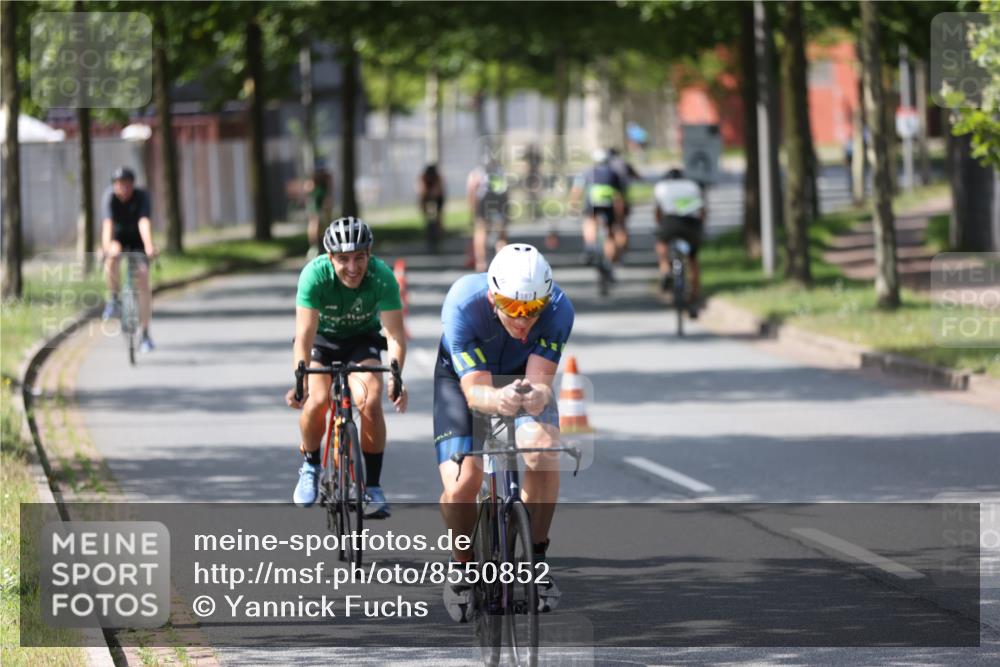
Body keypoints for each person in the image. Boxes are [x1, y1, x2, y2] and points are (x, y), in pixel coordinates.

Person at [435, 243, 574, 622]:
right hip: (463, 382)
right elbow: (475, 392)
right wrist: (498, 399)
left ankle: (536, 558)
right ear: (492, 296)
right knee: (462, 485)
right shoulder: (463, 303)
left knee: (543, 450)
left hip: (520, 378)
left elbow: (540, 383)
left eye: (532, 308)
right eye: (512, 307)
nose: (522, 319)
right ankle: (462, 566)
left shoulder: (559, 308)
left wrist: (534, 396)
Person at [285, 217, 408, 517]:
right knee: (317, 400)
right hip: (322, 341)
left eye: (359, 258)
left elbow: (394, 335)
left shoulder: (382, 277)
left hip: (361, 340)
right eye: (343, 259)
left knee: (370, 400)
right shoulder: (314, 276)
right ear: (330, 257)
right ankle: (311, 465)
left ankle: (373, 486)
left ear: (369, 254)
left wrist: (396, 376)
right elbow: (304, 335)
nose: (352, 267)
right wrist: (301, 380)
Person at [100, 166, 158, 353]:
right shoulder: (109, 198)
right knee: (112, 256)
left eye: (126, 184)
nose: (122, 188)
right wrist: (106, 247)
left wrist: (149, 245)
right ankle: (113, 299)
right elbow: (107, 225)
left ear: (132, 185)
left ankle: (145, 333)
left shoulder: (142, 197)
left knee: (143, 277)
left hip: (138, 241)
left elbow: (144, 222)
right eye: (118, 184)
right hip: (118, 239)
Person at [653, 168, 706, 314]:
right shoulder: (693, 185)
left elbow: (658, 212)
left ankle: (665, 270)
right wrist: (700, 227)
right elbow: (702, 211)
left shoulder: (662, 187)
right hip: (691, 223)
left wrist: (660, 226)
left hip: (670, 221)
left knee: (661, 244)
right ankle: (695, 294)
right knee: (693, 258)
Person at [570, 149, 626, 277]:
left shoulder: (587, 172)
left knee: (590, 222)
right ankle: (610, 263)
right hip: (608, 206)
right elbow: (619, 196)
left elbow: (577, 190)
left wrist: (574, 207)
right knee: (610, 235)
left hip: (592, 204)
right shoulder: (613, 174)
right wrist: (620, 215)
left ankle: (590, 246)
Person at [466, 156, 510, 272]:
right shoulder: (501, 171)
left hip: (484, 201)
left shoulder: (477, 172)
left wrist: (473, 209)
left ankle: (481, 263)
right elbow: (506, 191)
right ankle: (502, 262)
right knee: (501, 234)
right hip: (499, 202)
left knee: (481, 231)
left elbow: (472, 189)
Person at [304, 160, 334, 258]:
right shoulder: (312, 180)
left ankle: (326, 244)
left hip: (323, 203)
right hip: (316, 204)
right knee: (314, 224)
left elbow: (329, 191)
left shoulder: (326, 178)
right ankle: (314, 246)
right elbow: (308, 189)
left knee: (327, 224)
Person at [416, 163, 446, 253]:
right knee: (427, 218)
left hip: (438, 197)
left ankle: (439, 235)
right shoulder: (423, 177)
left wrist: (433, 197)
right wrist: (423, 206)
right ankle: (429, 234)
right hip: (426, 197)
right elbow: (421, 190)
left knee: (438, 218)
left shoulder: (438, 178)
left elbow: (438, 191)